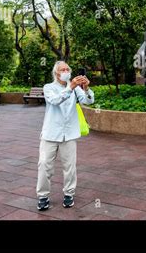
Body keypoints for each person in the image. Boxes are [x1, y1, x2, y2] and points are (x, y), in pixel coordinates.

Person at [36, 61, 94, 211]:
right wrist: (70, 87)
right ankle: (43, 196)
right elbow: (54, 101)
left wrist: (86, 88)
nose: (66, 71)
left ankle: (69, 194)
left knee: (69, 167)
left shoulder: (75, 89)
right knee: (44, 165)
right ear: (56, 73)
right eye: (63, 69)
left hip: (69, 134)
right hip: (50, 133)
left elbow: (89, 101)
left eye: (68, 69)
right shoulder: (49, 87)